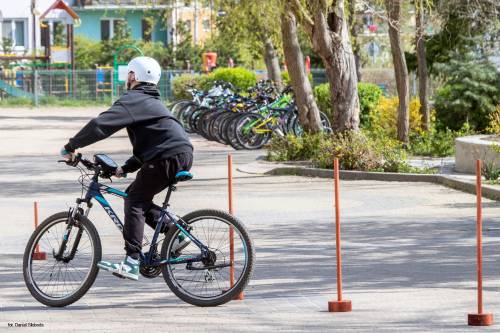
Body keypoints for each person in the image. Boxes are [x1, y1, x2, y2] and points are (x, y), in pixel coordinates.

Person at [60, 56, 193, 281]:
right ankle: (176, 233)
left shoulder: (134, 99)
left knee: (134, 200)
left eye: (129, 74)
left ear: (134, 76)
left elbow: (100, 125)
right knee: (138, 197)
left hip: (166, 156)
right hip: (179, 153)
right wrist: (125, 168)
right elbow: (151, 144)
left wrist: (71, 146)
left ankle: (131, 262)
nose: (127, 78)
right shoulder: (152, 102)